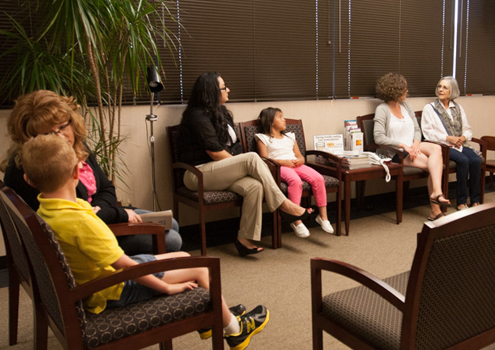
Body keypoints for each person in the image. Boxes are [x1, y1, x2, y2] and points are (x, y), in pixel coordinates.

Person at [21, 135, 269, 350]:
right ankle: (235, 330)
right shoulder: (80, 221)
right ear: (77, 172)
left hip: (100, 279)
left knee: (183, 257)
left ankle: (211, 319)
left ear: (29, 180)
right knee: (202, 268)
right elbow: (127, 266)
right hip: (112, 289)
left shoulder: (45, 211)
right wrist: (167, 289)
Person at [3, 90, 182, 254]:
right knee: (171, 240)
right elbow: (73, 220)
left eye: (62, 127)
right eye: (48, 134)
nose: (59, 137)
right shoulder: (33, 168)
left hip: (100, 219)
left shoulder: (79, 148)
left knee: (170, 224)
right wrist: (116, 214)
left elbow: (106, 188)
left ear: (72, 122)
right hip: (81, 241)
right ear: (30, 138)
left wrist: (101, 209)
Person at [178, 72, 313, 256]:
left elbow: (234, 147)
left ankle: (244, 239)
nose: (228, 90)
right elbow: (215, 152)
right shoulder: (196, 116)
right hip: (197, 173)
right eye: (224, 87)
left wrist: (240, 166)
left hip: (221, 171)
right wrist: (242, 165)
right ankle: (284, 205)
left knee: (254, 186)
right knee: (251, 158)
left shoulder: (222, 113)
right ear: (211, 91)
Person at [373, 72, 451, 221]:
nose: (407, 91)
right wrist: (404, 146)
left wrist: (415, 144)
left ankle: (437, 193)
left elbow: (416, 129)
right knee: (433, 166)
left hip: (412, 147)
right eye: (405, 88)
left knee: (437, 149)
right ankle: (435, 209)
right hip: (395, 153)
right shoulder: (382, 109)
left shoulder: (406, 106)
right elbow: (379, 137)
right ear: (395, 90)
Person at [255, 107, 334, 237]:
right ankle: (296, 220)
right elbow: (264, 160)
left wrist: (300, 160)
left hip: (295, 164)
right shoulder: (262, 138)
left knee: (319, 178)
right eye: (279, 117)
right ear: (270, 121)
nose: (284, 119)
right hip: (279, 167)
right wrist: (283, 162)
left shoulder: (290, 137)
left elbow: (299, 155)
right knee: (295, 181)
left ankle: (323, 217)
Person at [421, 76, 481, 211]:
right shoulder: (429, 108)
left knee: (476, 160)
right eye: (439, 87)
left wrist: (463, 137)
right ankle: (461, 202)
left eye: (445, 87)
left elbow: (467, 128)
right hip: (441, 146)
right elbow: (428, 133)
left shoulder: (458, 108)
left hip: (459, 144)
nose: (440, 90)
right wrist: (448, 138)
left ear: (452, 91)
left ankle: (475, 200)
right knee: (463, 161)